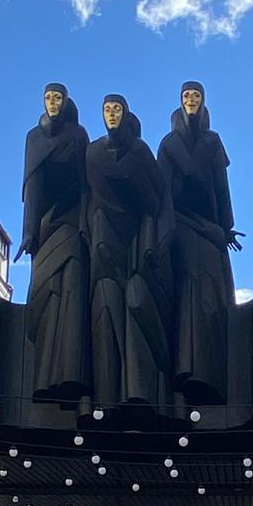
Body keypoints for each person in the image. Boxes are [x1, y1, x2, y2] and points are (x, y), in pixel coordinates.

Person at [86, 94, 173, 409]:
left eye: (117, 109)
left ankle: (140, 389)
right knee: (108, 294)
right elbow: (88, 198)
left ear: (126, 114)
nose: (111, 114)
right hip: (106, 234)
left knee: (135, 296)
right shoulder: (93, 152)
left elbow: (156, 199)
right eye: (107, 109)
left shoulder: (140, 151)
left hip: (139, 237)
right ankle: (110, 392)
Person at [156, 81, 241, 401]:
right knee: (187, 292)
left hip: (211, 231)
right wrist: (165, 231)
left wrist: (226, 227)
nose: (191, 100)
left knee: (213, 293)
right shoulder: (168, 144)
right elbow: (163, 194)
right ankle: (186, 369)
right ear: (180, 102)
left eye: (196, 96)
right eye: (186, 96)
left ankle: (212, 367)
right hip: (181, 226)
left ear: (203, 102)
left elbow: (222, 186)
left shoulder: (212, 141)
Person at [19, 84, 91, 400]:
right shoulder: (33, 138)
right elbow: (32, 189)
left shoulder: (78, 136)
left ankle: (70, 371)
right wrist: (28, 232)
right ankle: (44, 376)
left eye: (57, 98)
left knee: (72, 282)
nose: (52, 103)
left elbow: (88, 187)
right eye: (48, 98)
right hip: (45, 226)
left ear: (65, 102)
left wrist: (88, 226)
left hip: (73, 220)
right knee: (46, 292)